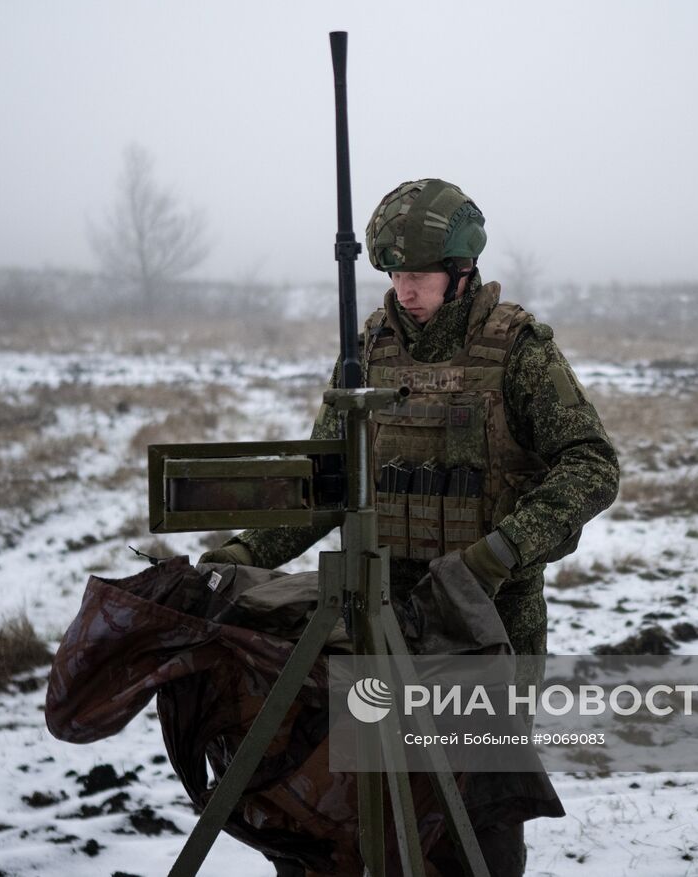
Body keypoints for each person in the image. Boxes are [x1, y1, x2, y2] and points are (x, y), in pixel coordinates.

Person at [200, 178, 621, 877]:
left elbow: (592, 464)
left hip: (485, 627)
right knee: (372, 815)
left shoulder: (516, 349)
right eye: (394, 274)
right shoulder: (368, 347)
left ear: (461, 273)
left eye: (418, 275)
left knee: (473, 828)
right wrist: (247, 549)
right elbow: (325, 478)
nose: (404, 289)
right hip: (377, 618)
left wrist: (501, 552)